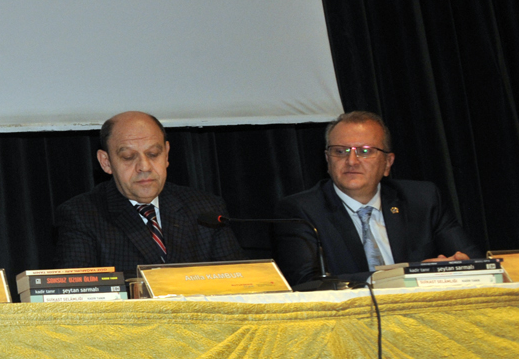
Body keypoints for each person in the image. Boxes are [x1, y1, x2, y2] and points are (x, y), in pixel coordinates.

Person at [274, 111, 480, 286]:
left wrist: (457, 265)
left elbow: (474, 261)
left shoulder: (422, 199)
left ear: (388, 163)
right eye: (340, 151)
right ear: (328, 160)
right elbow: (306, 282)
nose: (351, 161)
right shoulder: (300, 211)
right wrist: (403, 276)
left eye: (365, 151)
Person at [54, 111, 242, 274]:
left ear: (166, 154)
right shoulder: (81, 215)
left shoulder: (205, 209)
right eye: (128, 157)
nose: (144, 166)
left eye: (153, 154)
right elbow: (78, 294)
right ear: (106, 162)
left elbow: (240, 280)